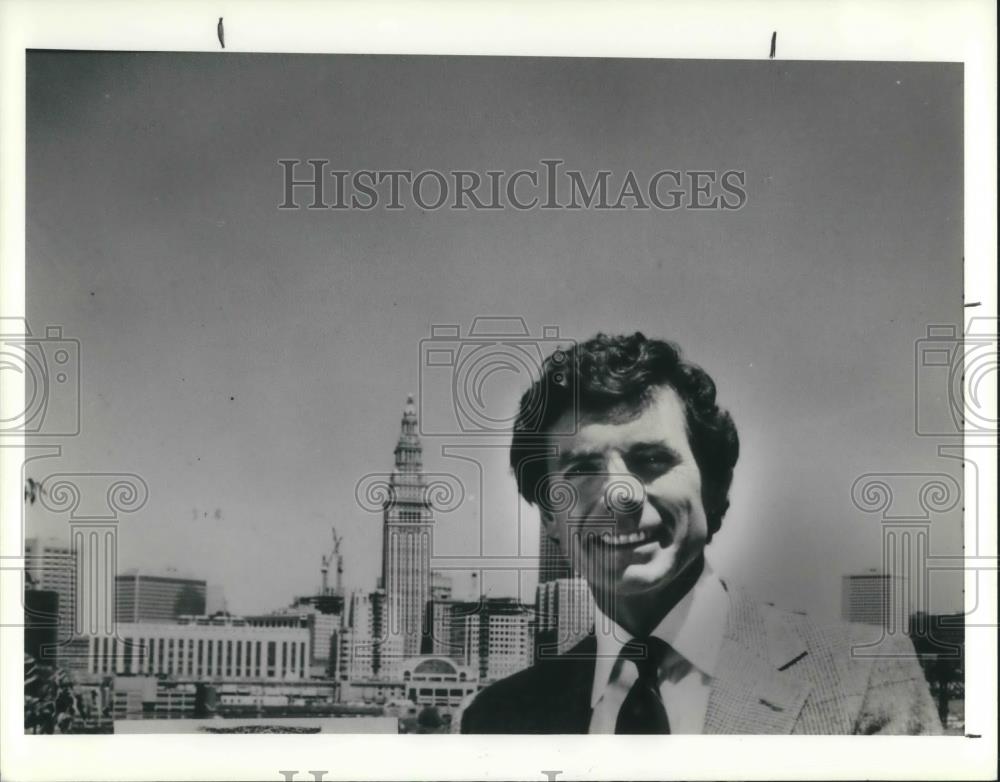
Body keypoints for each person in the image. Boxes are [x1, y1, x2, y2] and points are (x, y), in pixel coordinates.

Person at [460, 332, 941, 734]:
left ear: (714, 489)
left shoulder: (865, 677)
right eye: (583, 469)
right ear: (550, 518)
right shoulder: (497, 721)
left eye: (650, 459)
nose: (618, 496)